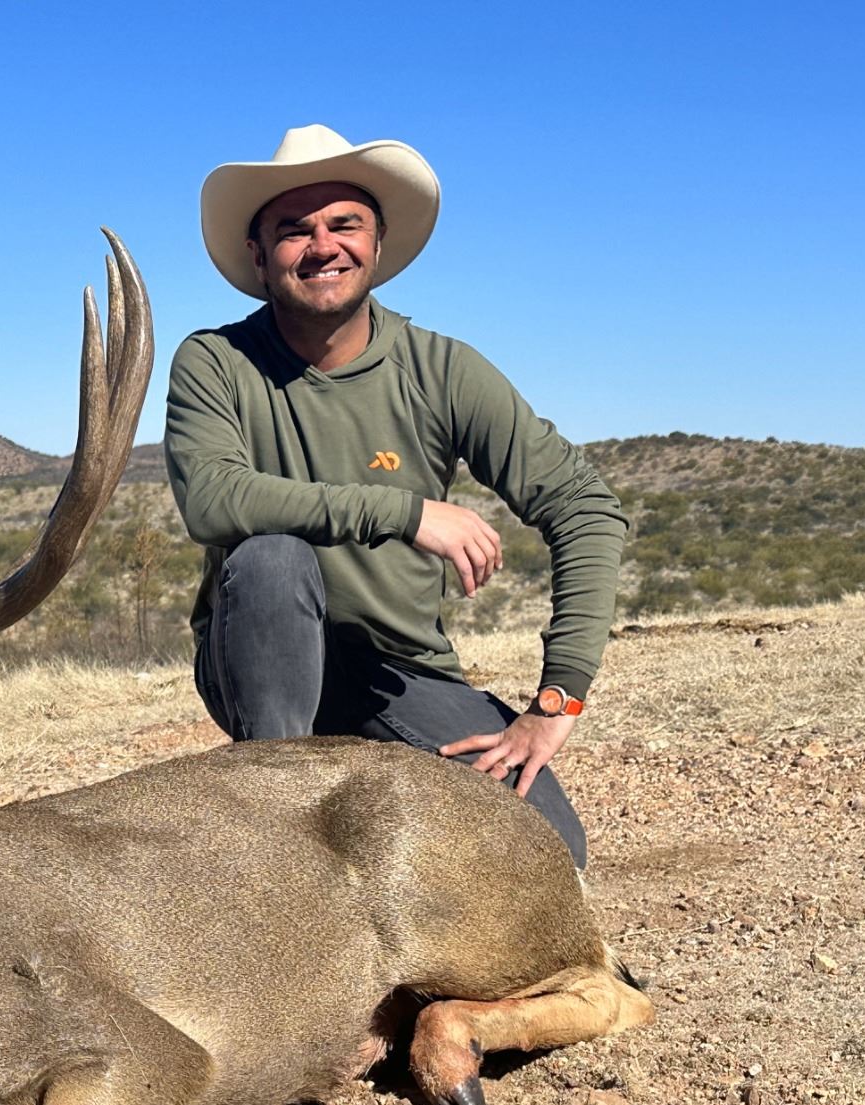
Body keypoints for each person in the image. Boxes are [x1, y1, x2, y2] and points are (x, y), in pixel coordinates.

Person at [163, 124, 628, 868]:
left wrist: (557, 699)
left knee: (548, 851)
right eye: (294, 230)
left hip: (398, 669)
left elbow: (585, 507)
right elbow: (212, 499)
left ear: (378, 242)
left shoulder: (441, 369)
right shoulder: (216, 361)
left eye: (344, 224)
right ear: (258, 254)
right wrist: (405, 513)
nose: (322, 246)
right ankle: (275, 835)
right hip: (257, 653)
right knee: (273, 559)